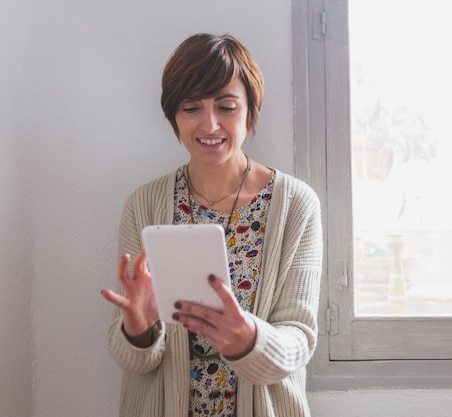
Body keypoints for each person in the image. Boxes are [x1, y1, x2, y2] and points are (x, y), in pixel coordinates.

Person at [100, 33, 323, 417]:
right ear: (173, 115)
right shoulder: (145, 205)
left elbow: (299, 339)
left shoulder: (295, 205)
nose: (209, 124)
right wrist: (137, 327)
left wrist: (249, 339)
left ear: (250, 111)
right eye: (191, 108)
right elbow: (136, 361)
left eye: (226, 107)